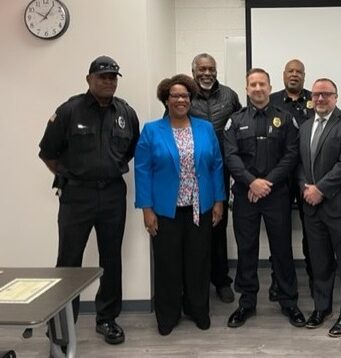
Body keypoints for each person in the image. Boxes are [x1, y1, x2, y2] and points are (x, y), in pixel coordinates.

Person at [38, 55, 140, 345]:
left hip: (111, 194)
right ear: (89, 79)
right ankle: (62, 326)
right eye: (102, 76)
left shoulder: (126, 113)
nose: (108, 81)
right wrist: (73, 176)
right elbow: (48, 152)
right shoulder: (69, 110)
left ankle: (107, 319)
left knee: (111, 258)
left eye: (113, 77)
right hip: (76, 196)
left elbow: (131, 149)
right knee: (69, 260)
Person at [134, 74, 226, 335]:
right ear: (166, 99)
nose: (180, 100)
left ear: (191, 99)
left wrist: (219, 201)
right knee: (167, 264)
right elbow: (142, 170)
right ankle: (168, 315)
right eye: (175, 95)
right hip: (166, 210)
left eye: (185, 95)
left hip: (201, 207)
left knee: (198, 262)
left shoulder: (205, 128)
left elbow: (216, 165)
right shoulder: (152, 130)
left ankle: (198, 310)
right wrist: (147, 209)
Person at [224, 68, 305, 328]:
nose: (258, 88)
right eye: (253, 84)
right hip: (245, 195)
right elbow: (231, 156)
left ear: (270, 88)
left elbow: (291, 155)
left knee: (281, 249)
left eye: (262, 84)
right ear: (247, 89)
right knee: (246, 249)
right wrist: (251, 182)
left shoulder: (286, 118)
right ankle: (246, 302)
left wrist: (265, 183)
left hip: (276, 194)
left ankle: (289, 301)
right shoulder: (234, 121)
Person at [297, 78, 341, 337]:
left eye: (326, 94)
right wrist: (306, 187)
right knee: (320, 263)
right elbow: (300, 163)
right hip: (312, 208)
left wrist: (320, 190)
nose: (321, 99)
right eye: (316, 95)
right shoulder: (304, 127)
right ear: (311, 98)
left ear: (336, 97)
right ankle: (321, 308)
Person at [189, 53, 242, 303]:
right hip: (191, 172)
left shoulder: (229, 96)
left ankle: (221, 280)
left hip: (222, 170)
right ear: (194, 71)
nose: (207, 73)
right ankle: (197, 282)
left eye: (211, 68)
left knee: (219, 225)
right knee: (194, 227)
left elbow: (242, 126)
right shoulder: (184, 95)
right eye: (202, 69)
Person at [269, 59, 315, 300]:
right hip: (280, 175)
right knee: (280, 231)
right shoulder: (272, 100)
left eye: (299, 72)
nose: (294, 75)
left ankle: (315, 277)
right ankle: (279, 281)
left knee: (313, 229)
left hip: (309, 174)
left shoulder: (315, 99)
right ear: (283, 75)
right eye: (290, 71)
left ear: (304, 76)